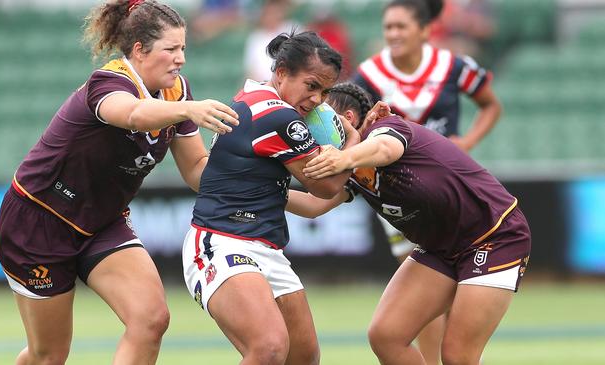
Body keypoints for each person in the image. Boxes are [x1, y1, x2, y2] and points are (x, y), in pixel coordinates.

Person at [0, 1, 239, 364]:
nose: (181, 58)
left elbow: (197, 171)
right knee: (48, 356)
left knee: (151, 319)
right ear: (139, 50)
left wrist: (262, 178)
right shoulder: (107, 82)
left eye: (183, 48)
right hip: (39, 221)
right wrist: (189, 109)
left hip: (101, 221)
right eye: (170, 49)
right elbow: (134, 114)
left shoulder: (175, 92)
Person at [287, 81, 531, 365]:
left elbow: (385, 150)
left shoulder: (387, 128)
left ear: (347, 119)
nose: (308, 129)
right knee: (386, 335)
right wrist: (260, 191)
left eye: (316, 118)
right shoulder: (350, 169)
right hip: (441, 248)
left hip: (494, 235)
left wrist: (344, 157)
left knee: (457, 356)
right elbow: (314, 205)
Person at [182, 31, 354, 365]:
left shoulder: (253, 97)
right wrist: (355, 144)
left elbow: (315, 203)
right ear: (281, 72)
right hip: (222, 242)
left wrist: (350, 188)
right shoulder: (277, 115)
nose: (318, 99)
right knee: (269, 347)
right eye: (312, 85)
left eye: (326, 90)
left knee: (303, 356)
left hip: (264, 247)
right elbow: (325, 186)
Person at [351, 1, 502, 361]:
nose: (393, 35)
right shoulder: (370, 75)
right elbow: (354, 124)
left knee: (455, 282)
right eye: (388, 27)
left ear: (425, 29)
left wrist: (467, 142)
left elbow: (490, 105)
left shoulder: (452, 66)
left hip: (452, 190)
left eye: (401, 27)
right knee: (423, 278)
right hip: (400, 195)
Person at [243, 0, 299, 81]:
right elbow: (251, 69)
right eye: (268, 13)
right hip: (263, 85)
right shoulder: (255, 38)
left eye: (274, 12)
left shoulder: (292, 29)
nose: (271, 16)